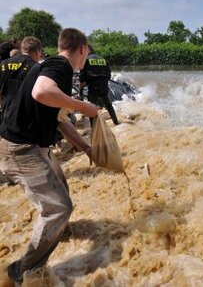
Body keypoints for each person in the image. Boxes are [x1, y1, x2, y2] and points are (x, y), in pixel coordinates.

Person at [0, 28, 98, 284]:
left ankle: (56, 237)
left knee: (61, 189)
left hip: (33, 147)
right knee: (59, 208)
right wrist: (83, 106)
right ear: (82, 49)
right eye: (86, 53)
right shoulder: (59, 65)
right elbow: (41, 92)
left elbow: (58, 121)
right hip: (21, 150)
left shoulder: (53, 65)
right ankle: (22, 271)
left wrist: (86, 147)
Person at [0, 36, 42, 121]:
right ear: (37, 51)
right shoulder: (36, 67)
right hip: (26, 118)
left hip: (6, 116)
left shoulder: (3, 64)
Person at [79, 45, 119, 125]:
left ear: (88, 51)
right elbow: (108, 75)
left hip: (93, 88)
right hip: (104, 87)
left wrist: (81, 88)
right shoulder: (103, 59)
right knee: (109, 106)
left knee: (92, 108)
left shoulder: (86, 60)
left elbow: (82, 77)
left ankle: (93, 128)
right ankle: (116, 122)